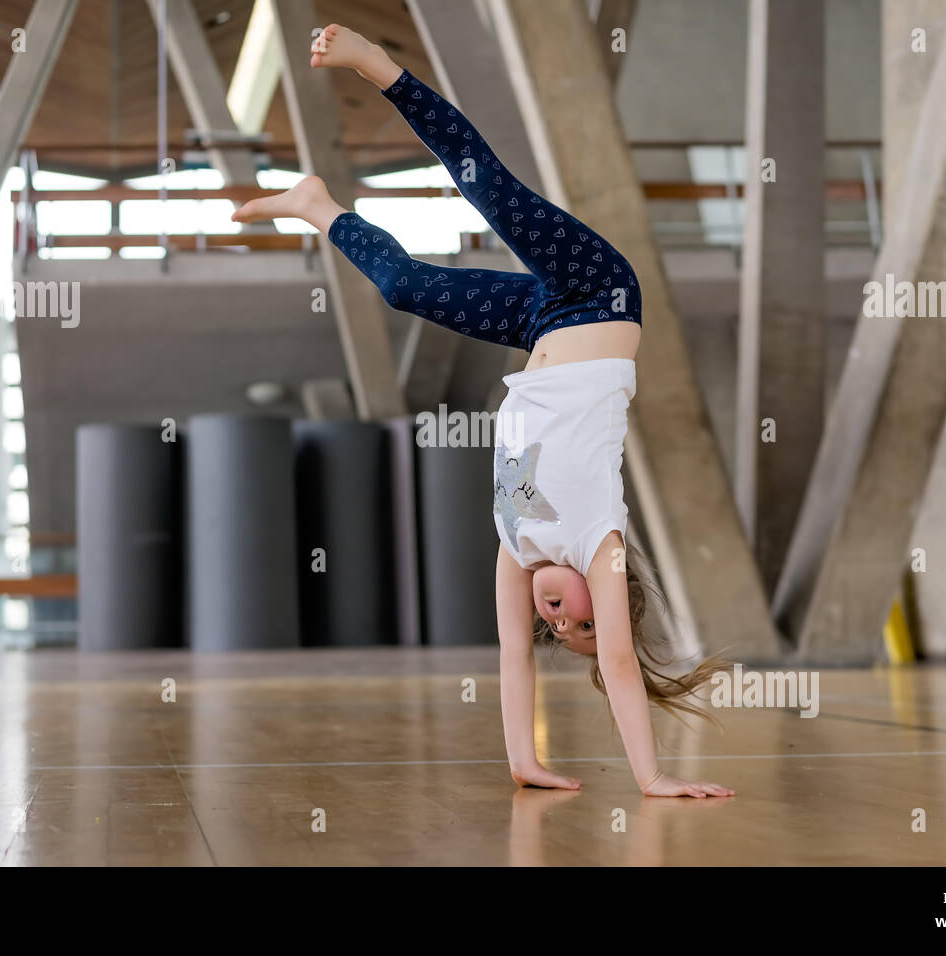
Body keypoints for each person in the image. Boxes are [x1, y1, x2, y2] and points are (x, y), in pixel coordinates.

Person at [234, 24, 734, 799]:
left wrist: (523, 760)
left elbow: (510, 656)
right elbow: (620, 664)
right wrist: (652, 775)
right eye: (585, 623)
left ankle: (319, 207)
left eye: (560, 632)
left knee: (403, 288)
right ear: (610, 599)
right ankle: (381, 68)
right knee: (487, 189)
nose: (561, 622)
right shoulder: (597, 538)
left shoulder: (515, 545)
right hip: (599, 294)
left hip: (542, 324)